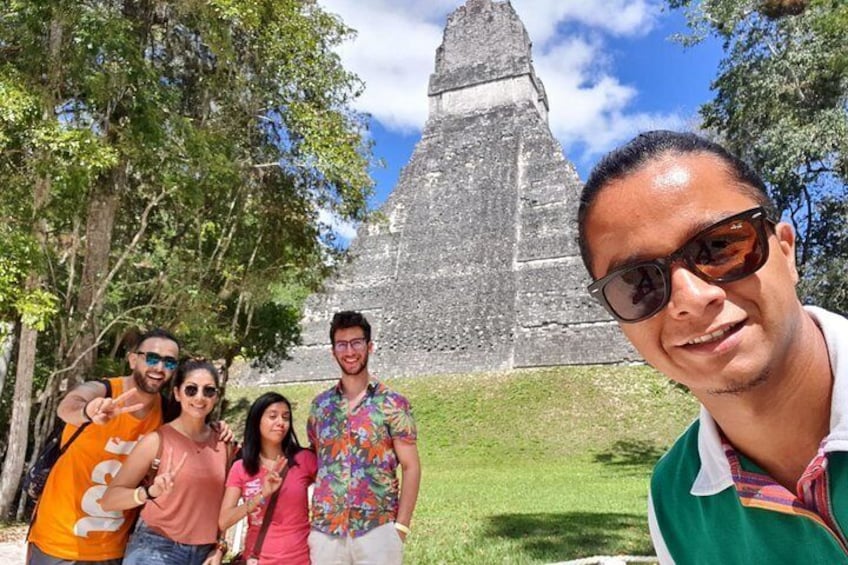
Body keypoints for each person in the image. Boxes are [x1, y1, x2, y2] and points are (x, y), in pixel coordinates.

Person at [577, 129, 848, 563]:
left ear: (787, 250)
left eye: (721, 245)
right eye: (637, 282)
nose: (691, 299)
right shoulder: (674, 503)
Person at [26, 328, 179, 565]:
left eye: (169, 362)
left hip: (112, 550)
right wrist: (88, 411)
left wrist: (219, 430)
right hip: (57, 541)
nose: (159, 368)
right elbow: (68, 406)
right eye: (151, 358)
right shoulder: (104, 390)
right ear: (132, 359)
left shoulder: (167, 414)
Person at [307, 310, 421, 564]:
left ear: (370, 347)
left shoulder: (393, 403)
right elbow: (316, 460)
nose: (350, 351)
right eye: (342, 344)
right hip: (326, 531)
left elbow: (411, 466)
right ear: (333, 351)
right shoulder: (320, 407)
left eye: (357, 343)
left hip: (377, 530)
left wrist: (401, 528)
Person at [100, 358, 232, 565]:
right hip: (156, 549)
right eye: (191, 390)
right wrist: (149, 492)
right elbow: (110, 499)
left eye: (208, 391)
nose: (200, 397)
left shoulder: (224, 443)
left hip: (205, 553)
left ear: (216, 397)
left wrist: (220, 546)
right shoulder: (157, 441)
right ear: (178, 393)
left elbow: (227, 503)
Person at [219, 392, 317, 564]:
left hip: (300, 559)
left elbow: (335, 488)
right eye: (273, 416)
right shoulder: (240, 468)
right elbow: (224, 520)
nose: (281, 423)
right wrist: (260, 495)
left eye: (286, 417)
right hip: (257, 558)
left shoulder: (304, 460)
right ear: (257, 421)